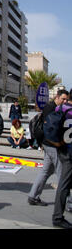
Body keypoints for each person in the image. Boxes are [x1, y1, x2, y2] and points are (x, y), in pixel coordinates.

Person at [28, 89, 69, 207]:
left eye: (66, 99)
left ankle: (33, 196)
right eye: (63, 99)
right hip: (53, 145)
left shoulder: (55, 108)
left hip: (49, 144)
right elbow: (52, 129)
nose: (65, 101)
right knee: (62, 172)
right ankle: (66, 202)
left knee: (46, 171)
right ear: (57, 97)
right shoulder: (51, 108)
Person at [52, 90, 72, 229]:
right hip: (69, 154)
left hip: (62, 149)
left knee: (65, 184)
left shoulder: (61, 108)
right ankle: (58, 217)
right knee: (64, 185)